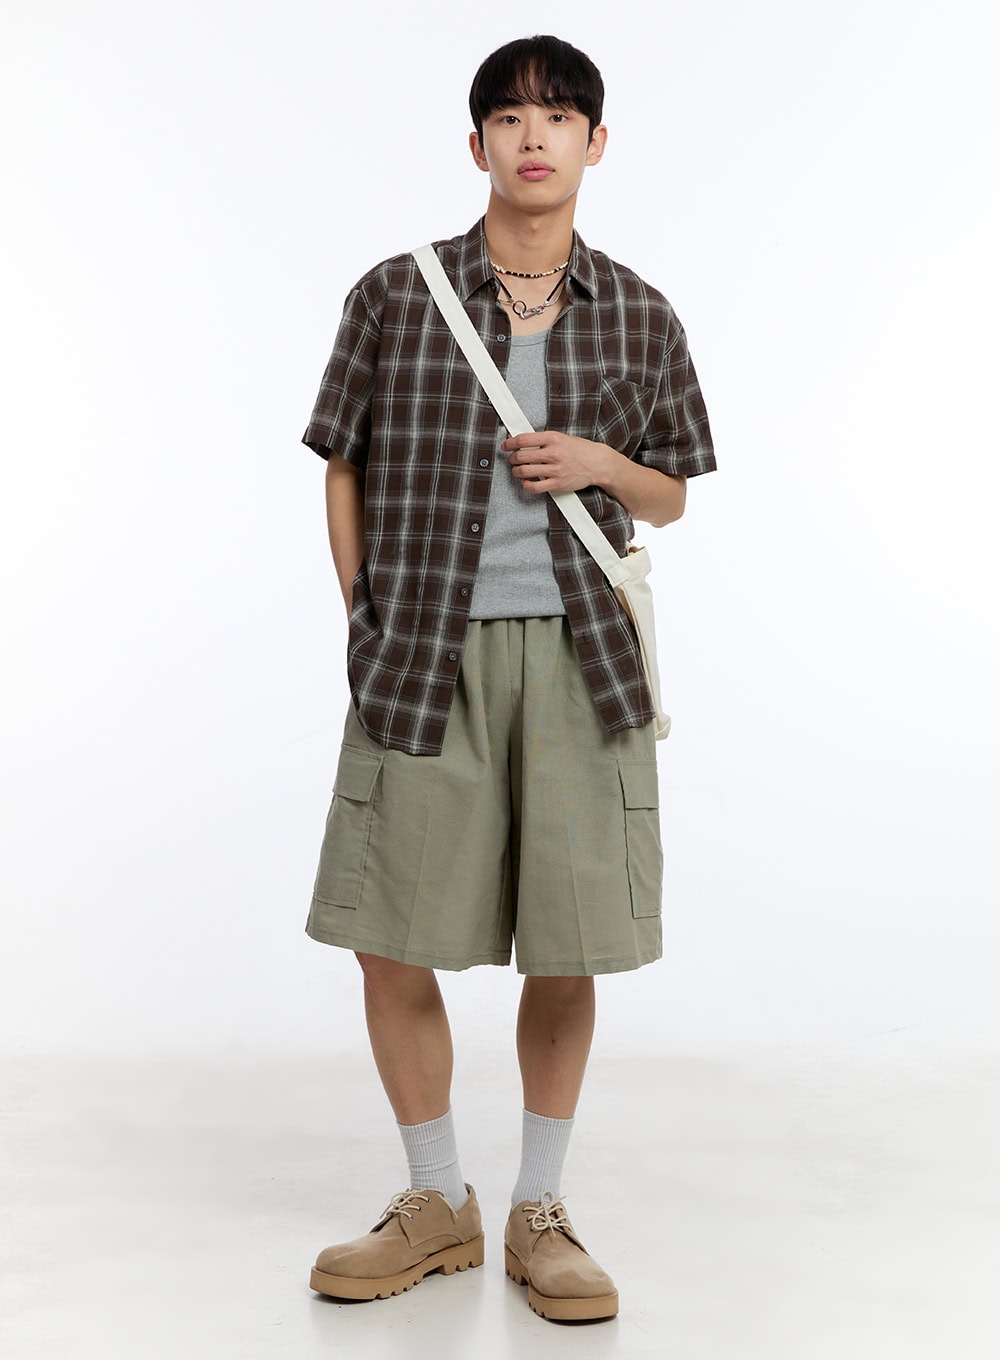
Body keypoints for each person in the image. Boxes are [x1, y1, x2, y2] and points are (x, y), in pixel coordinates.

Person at [299, 34, 715, 1322]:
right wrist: (364, 612)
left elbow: (673, 494)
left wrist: (598, 463)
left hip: (585, 664)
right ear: (476, 142)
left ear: (597, 142)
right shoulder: (395, 294)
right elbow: (344, 460)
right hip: (425, 652)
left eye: (560, 115)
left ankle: (539, 1211)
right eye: (512, 116)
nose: (536, 136)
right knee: (387, 936)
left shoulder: (641, 312)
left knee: (568, 944)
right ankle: (436, 1201)